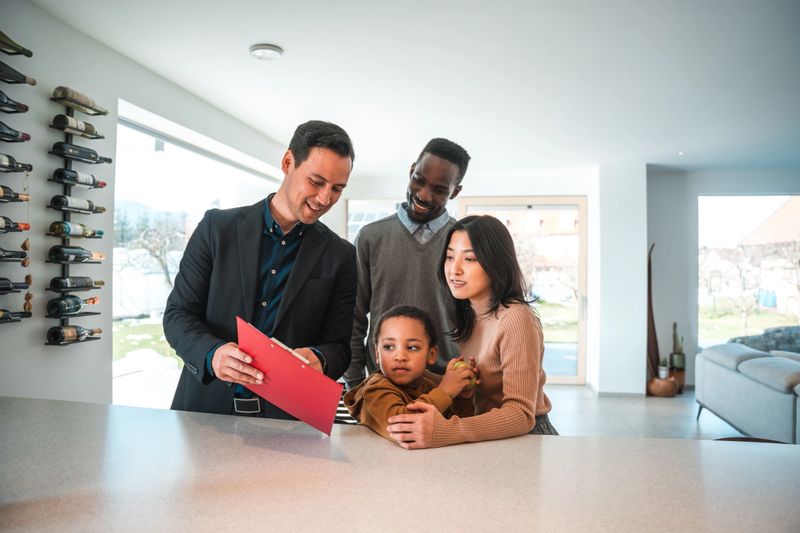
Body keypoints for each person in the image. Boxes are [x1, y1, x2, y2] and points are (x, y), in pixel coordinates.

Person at [163, 120, 358, 418]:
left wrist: (320, 358)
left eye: (337, 189)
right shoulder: (216, 228)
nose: (325, 199)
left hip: (290, 423)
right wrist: (212, 354)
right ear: (288, 162)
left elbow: (340, 347)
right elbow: (178, 315)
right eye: (317, 182)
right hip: (204, 414)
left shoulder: (341, 255)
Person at [386, 215, 558, 449]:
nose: (454, 269)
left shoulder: (516, 319)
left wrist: (444, 431)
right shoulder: (470, 314)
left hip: (526, 438)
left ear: (494, 262)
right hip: (491, 433)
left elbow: (521, 415)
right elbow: (478, 385)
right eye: (449, 257)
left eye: (469, 258)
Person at [343, 138, 471, 390]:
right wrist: (355, 383)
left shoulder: (464, 241)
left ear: (455, 192)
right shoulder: (371, 237)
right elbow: (353, 317)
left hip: (448, 387)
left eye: (439, 189)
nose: (424, 195)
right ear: (411, 170)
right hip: (382, 384)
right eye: (419, 180)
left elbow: (475, 321)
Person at [344, 305, 475, 442]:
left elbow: (456, 426)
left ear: (431, 355)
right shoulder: (375, 391)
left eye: (412, 347)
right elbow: (403, 427)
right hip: (383, 462)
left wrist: (462, 397)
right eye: (389, 347)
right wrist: (446, 391)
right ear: (378, 355)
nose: (400, 356)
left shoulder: (429, 387)